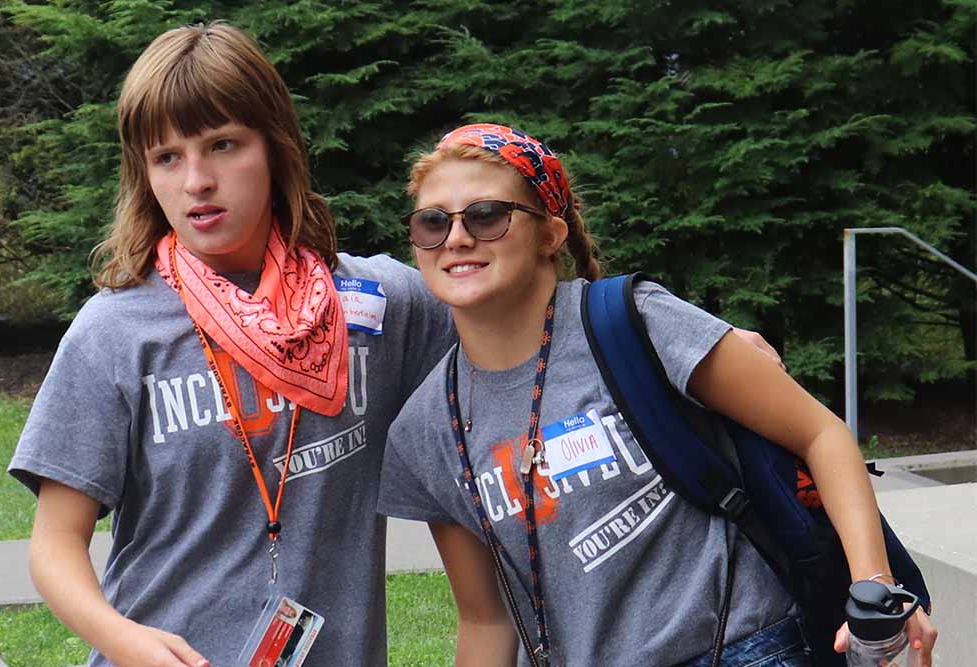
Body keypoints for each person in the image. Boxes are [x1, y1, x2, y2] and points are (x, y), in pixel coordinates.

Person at [376, 123, 938, 666]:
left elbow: (821, 433)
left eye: (487, 215)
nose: (456, 237)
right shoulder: (426, 427)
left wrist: (873, 590)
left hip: (744, 650)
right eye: (432, 222)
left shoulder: (633, 322)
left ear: (550, 234)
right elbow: (485, 621)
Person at [7, 21, 456, 667]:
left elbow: (515, 347)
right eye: (167, 156)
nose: (196, 181)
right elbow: (53, 545)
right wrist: (123, 639)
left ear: (274, 148)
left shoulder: (383, 306)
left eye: (222, 145)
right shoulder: (114, 332)